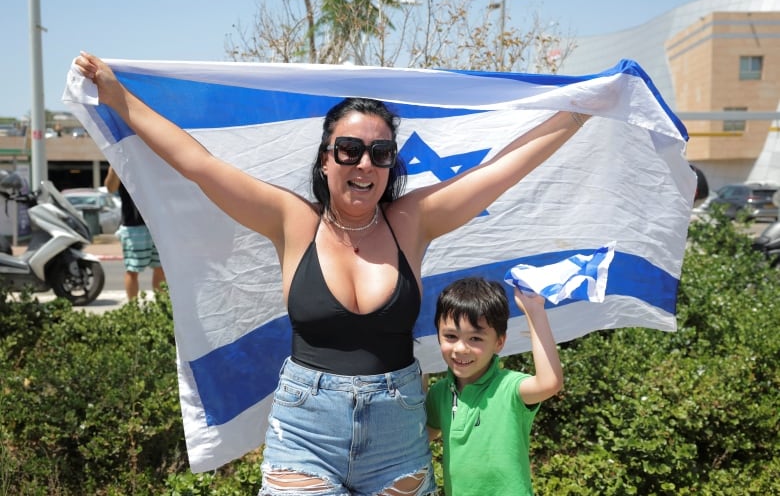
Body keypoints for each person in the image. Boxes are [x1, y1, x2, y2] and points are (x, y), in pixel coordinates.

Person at [74, 51, 589, 496]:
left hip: (397, 433)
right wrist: (119, 98)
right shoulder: (292, 220)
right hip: (306, 432)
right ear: (325, 159)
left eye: (380, 153)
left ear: (392, 165)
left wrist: (583, 109)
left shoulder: (412, 220)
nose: (364, 164)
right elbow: (198, 163)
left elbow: (503, 168)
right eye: (349, 149)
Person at [425, 277, 564, 495]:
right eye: (451, 336)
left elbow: (550, 382)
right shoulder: (439, 393)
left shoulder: (509, 387)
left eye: (476, 339)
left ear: (499, 342)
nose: (461, 348)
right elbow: (416, 442)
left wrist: (535, 311)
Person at [104, 166, 165, 299]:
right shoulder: (121, 161)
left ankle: (162, 306)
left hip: (157, 225)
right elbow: (110, 188)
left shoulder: (148, 159)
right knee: (132, 270)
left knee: (161, 267)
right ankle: (133, 308)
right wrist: (114, 167)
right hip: (133, 225)